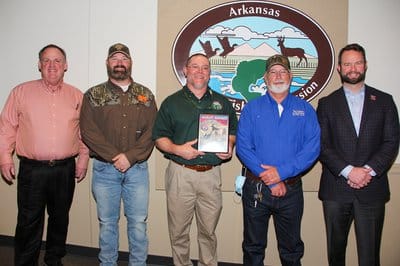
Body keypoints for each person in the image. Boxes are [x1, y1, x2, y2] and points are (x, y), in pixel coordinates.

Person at [0, 44, 89, 266]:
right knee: (29, 221)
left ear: (65, 65)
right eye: (46, 61)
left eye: (57, 60)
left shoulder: (77, 96)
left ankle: (54, 259)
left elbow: (84, 132)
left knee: (60, 219)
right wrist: (4, 157)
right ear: (39, 65)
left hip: (64, 169)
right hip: (32, 170)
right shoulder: (20, 92)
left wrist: (83, 160)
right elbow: (7, 127)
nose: (52, 65)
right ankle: (25, 262)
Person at [317, 43, 400, 266]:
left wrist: (367, 171)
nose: (353, 68)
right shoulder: (326, 104)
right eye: (347, 64)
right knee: (335, 255)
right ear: (339, 69)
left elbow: (391, 141)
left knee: (370, 256)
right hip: (336, 190)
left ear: (365, 65)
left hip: (372, 190)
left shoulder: (384, 101)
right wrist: (348, 171)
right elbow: (322, 145)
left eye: (357, 63)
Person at [152, 53, 238, 266]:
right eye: (195, 67)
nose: (200, 71)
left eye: (205, 68)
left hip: (210, 175)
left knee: (208, 232)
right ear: (186, 70)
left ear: (210, 73)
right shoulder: (171, 103)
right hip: (180, 173)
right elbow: (159, 137)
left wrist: (229, 146)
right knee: (179, 232)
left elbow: (232, 132)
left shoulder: (223, 102)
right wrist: (177, 149)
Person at [236, 54, 320, 266]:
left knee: (291, 249)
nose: (278, 76)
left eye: (283, 72)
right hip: (256, 188)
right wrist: (272, 180)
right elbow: (244, 148)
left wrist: (281, 173)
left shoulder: (306, 110)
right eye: (273, 72)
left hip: (291, 191)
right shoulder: (251, 109)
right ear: (265, 78)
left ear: (290, 77)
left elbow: (312, 148)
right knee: (253, 248)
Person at [80, 43, 157, 266]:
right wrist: (116, 156)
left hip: (137, 171)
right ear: (107, 63)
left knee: (138, 224)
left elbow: (153, 130)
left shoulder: (145, 94)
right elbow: (88, 131)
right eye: (115, 59)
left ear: (130, 63)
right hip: (104, 170)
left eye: (124, 58)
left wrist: (130, 157)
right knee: (107, 224)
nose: (119, 63)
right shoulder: (94, 95)